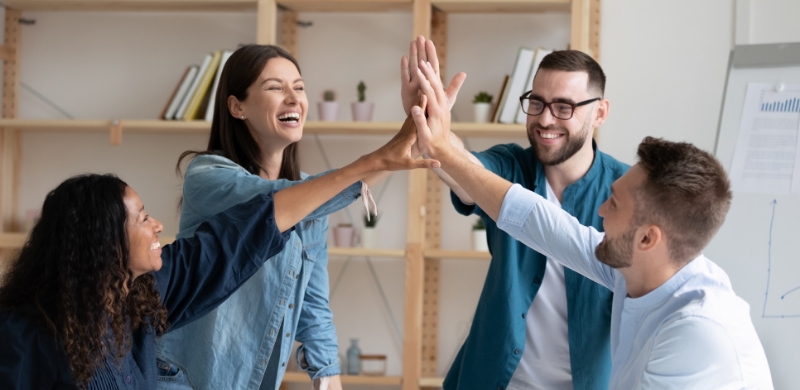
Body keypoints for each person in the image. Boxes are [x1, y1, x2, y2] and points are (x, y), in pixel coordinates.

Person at [409, 59, 774, 388]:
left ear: (647, 239)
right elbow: (540, 222)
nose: (599, 213)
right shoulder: (633, 268)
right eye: (538, 102)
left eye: (613, 205)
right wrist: (439, 144)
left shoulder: (696, 333)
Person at [0, 127, 434, 390]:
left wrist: (378, 160)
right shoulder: (26, 332)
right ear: (99, 240)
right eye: (143, 217)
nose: (156, 227)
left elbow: (246, 231)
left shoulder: (145, 295)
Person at [156, 44, 416, 390]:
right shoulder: (207, 176)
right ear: (237, 107)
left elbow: (313, 303)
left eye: (299, 87)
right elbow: (273, 205)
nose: (293, 98)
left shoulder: (311, 199)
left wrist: (328, 376)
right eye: (275, 87)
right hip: (185, 378)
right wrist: (381, 158)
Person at [400, 37, 626, 389]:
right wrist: (431, 123)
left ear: (599, 112)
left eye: (564, 107)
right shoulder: (511, 166)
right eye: (536, 103)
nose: (545, 119)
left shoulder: (627, 192)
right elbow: (465, 169)